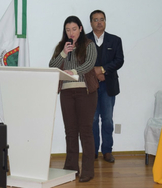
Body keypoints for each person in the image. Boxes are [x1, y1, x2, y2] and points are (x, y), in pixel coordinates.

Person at [49, 16, 99, 182]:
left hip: (85, 92)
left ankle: (87, 171)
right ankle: (70, 169)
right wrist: (63, 53)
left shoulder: (89, 45)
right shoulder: (62, 47)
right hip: (66, 92)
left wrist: (75, 71)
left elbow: (90, 64)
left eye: (74, 29)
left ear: (81, 29)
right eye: (68, 30)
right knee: (70, 132)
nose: (71, 33)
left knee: (85, 131)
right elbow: (52, 66)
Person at [86, 10, 124, 163]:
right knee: (93, 119)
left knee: (107, 119)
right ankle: (93, 151)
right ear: (91, 23)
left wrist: (102, 70)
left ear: (105, 22)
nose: (99, 22)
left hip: (108, 85)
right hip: (90, 85)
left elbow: (119, 60)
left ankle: (107, 151)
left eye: (102, 19)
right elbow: (80, 61)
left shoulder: (115, 40)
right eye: (96, 19)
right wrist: (94, 73)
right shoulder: (84, 40)